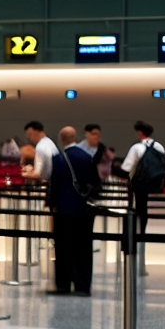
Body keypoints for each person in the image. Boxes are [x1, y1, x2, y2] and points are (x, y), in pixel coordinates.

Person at [49, 126, 97, 295]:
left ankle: (63, 284)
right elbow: (94, 181)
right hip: (83, 209)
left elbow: (55, 184)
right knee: (83, 248)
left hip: (63, 209)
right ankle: (82, 285)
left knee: (63, 247)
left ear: (62, 140)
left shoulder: (60, 158)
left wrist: (50, 203)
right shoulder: (87, 157)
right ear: (75, 138)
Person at [119, 120, 165, 236]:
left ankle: (134, 233)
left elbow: (127, 167)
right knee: (144, 208)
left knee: (137, 206)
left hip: (139, 182)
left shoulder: (137, 147)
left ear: (140, 133)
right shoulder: (159, 147)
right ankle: (143, 231)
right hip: (154, 180)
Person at [21, 120, 57, 187]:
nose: (30, 138)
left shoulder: (40, 147)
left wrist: (22, 174)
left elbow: (37, 174)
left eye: (30, 135)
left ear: (37, 131)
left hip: (48, 185)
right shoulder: (50, 143)